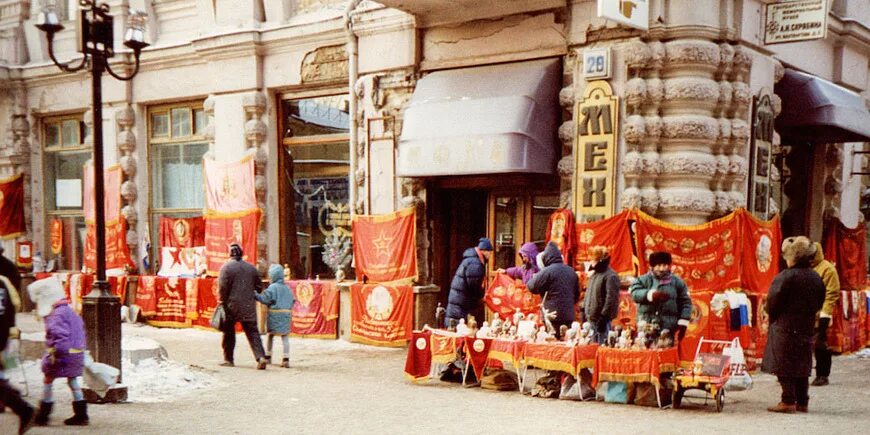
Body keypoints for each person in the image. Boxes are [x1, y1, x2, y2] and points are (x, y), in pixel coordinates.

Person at [762, 236, 825, 413]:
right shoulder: (815, 277)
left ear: (793, 256)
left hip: (785, 325)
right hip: (805, 325)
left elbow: (773, 301)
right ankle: (803, 401)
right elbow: (820, 300)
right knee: (802, 363)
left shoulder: (786, 276)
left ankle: (788, 400)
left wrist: (772, 316)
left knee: (784, 363)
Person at [27, 278, 88, 426]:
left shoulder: (56, 315)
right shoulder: (69, 311)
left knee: (48, 380)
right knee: (72, 381)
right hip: (76, 352)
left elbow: (59, 336)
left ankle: (44, 414)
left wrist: (56, 354)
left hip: (61, 355)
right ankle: (81, 413)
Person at [218, 243, 268, 370]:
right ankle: (261, 357)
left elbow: (223, 288)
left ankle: (228, 359)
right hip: (248, 305)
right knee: (252, 332)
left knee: (229, 332)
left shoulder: (226, 268)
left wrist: (222, 302)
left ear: (230, 254)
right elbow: (258, 286)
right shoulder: (251, 268)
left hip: (231, 306)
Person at [629, 251, 692, 339]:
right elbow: (635, 293)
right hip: (646, 325)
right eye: (658, 266)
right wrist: (649, 295)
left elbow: (686, 302)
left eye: (664, 265)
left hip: (668, 327)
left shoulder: (677, 282)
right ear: (652, 266)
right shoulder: (643, 280)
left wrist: (683, 322)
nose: (662, 269)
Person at [0, 271, 34, 433]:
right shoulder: (3, 281)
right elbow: (15, 305)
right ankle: (17, 401)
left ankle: (21, 406)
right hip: (5, 336)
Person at [526, 242, 580, 338]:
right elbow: (576, 295)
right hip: (568, 315)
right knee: (567, 341)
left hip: (551, 315)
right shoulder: (571, 271)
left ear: (546, 258)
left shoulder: (547, 272)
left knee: (552, 343)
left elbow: (531, 286)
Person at [808, 242, 840, 387]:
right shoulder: (807, 268)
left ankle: (822, 375)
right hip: (807, 314)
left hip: (823, 314)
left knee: (821, 345)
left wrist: (824, 315)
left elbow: (831, 294)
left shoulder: (828, 269)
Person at [445, 238, 493, 326]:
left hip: (460, 299)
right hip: (462, 302)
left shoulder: (471, 260)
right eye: (489, 252)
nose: (490, 255)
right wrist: (480, 297)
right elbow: (474, 285)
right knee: (460, 326)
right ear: (484, 251)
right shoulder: (475, 263)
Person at [254, 264, 295, 368]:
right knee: (285, 336)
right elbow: (293, 299)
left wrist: (255, 295)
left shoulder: (272, 287)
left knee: (271, 335)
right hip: (286, 314)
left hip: (274, 314)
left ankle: (268, 356)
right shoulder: (287, 288)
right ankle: (286, 359)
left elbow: (265, 299)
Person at [583, 246, 620, 344]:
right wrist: (584, 309)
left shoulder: (610, 276)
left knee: (601, 344)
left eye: (593, 260)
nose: (591, 263)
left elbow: (611, 299)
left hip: (601, 319)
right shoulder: (595, 274)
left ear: (599, 260)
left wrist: (604, 317)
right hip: (592, 317)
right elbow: (589, 293)